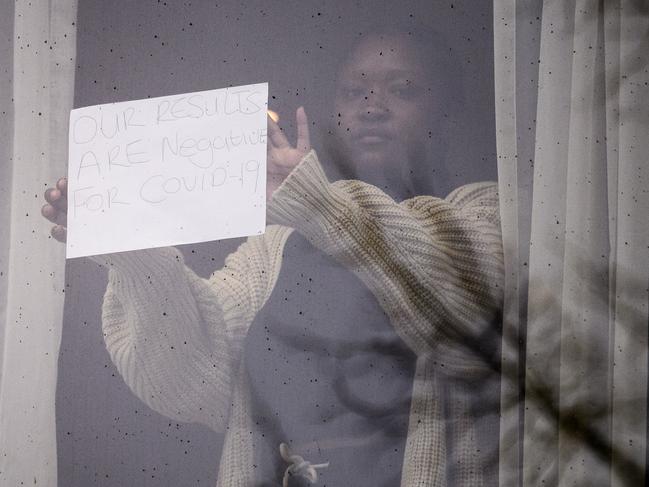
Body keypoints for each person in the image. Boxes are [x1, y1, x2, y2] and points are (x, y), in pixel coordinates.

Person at [43, 31, 503, 486]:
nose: (372, 106)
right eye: (353, 90)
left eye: (403, 90)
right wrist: (133, 249)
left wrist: (315, 202)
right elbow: (191, 376)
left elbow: (458, 300)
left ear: (447, 112)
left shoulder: (489, 212)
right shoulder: (275, 247)